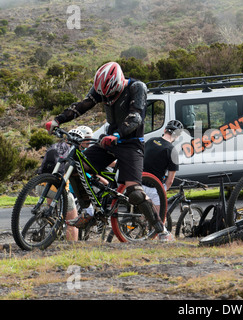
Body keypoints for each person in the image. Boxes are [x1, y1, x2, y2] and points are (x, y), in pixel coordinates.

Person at [45, 61, 167, 240]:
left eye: (110, 94)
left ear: (118, 82)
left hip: (131, 143)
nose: (107, 98)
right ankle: (88, 211)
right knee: (77, 166)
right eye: (104, 96)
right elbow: (83, 105)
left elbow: (135, 117)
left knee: (134, 192)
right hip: (110, 141)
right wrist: (58, 120)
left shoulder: (137, 87)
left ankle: (161, 230)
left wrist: (117, 134)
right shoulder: (102, 89)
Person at [36, 127, 85, 241]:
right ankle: (71, 248)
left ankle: (52, 224)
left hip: (40, 185)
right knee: (73, 221)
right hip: (56, 189)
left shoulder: (55, 147)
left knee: (54, 211)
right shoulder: (73, 152)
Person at [142, 120, 184, 241]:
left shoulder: (150, 141)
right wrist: (163, 190)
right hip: (154, 187)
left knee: (145, 212)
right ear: (177, 136)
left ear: (165, 130)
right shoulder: (172, 151)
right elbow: (170, 181)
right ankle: (162, 236)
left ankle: (139, 226)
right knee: (160, 217)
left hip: (140, 182)